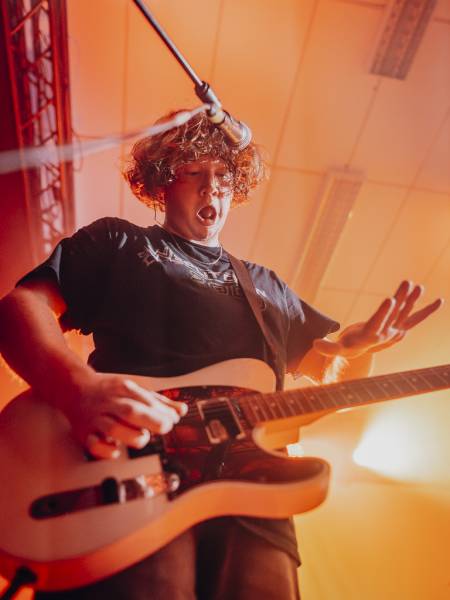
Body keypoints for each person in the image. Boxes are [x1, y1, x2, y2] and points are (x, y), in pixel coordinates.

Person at [0, 109, 442, 600]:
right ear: (162, 182)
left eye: (224, 175)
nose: (212, 186)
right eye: (194, 172)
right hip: (124, 472)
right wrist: (76, 389)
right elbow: (21, 308)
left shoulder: (268, 287)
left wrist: (355, 350)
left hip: (256, 496)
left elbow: (330, 378)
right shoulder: (118, 242)